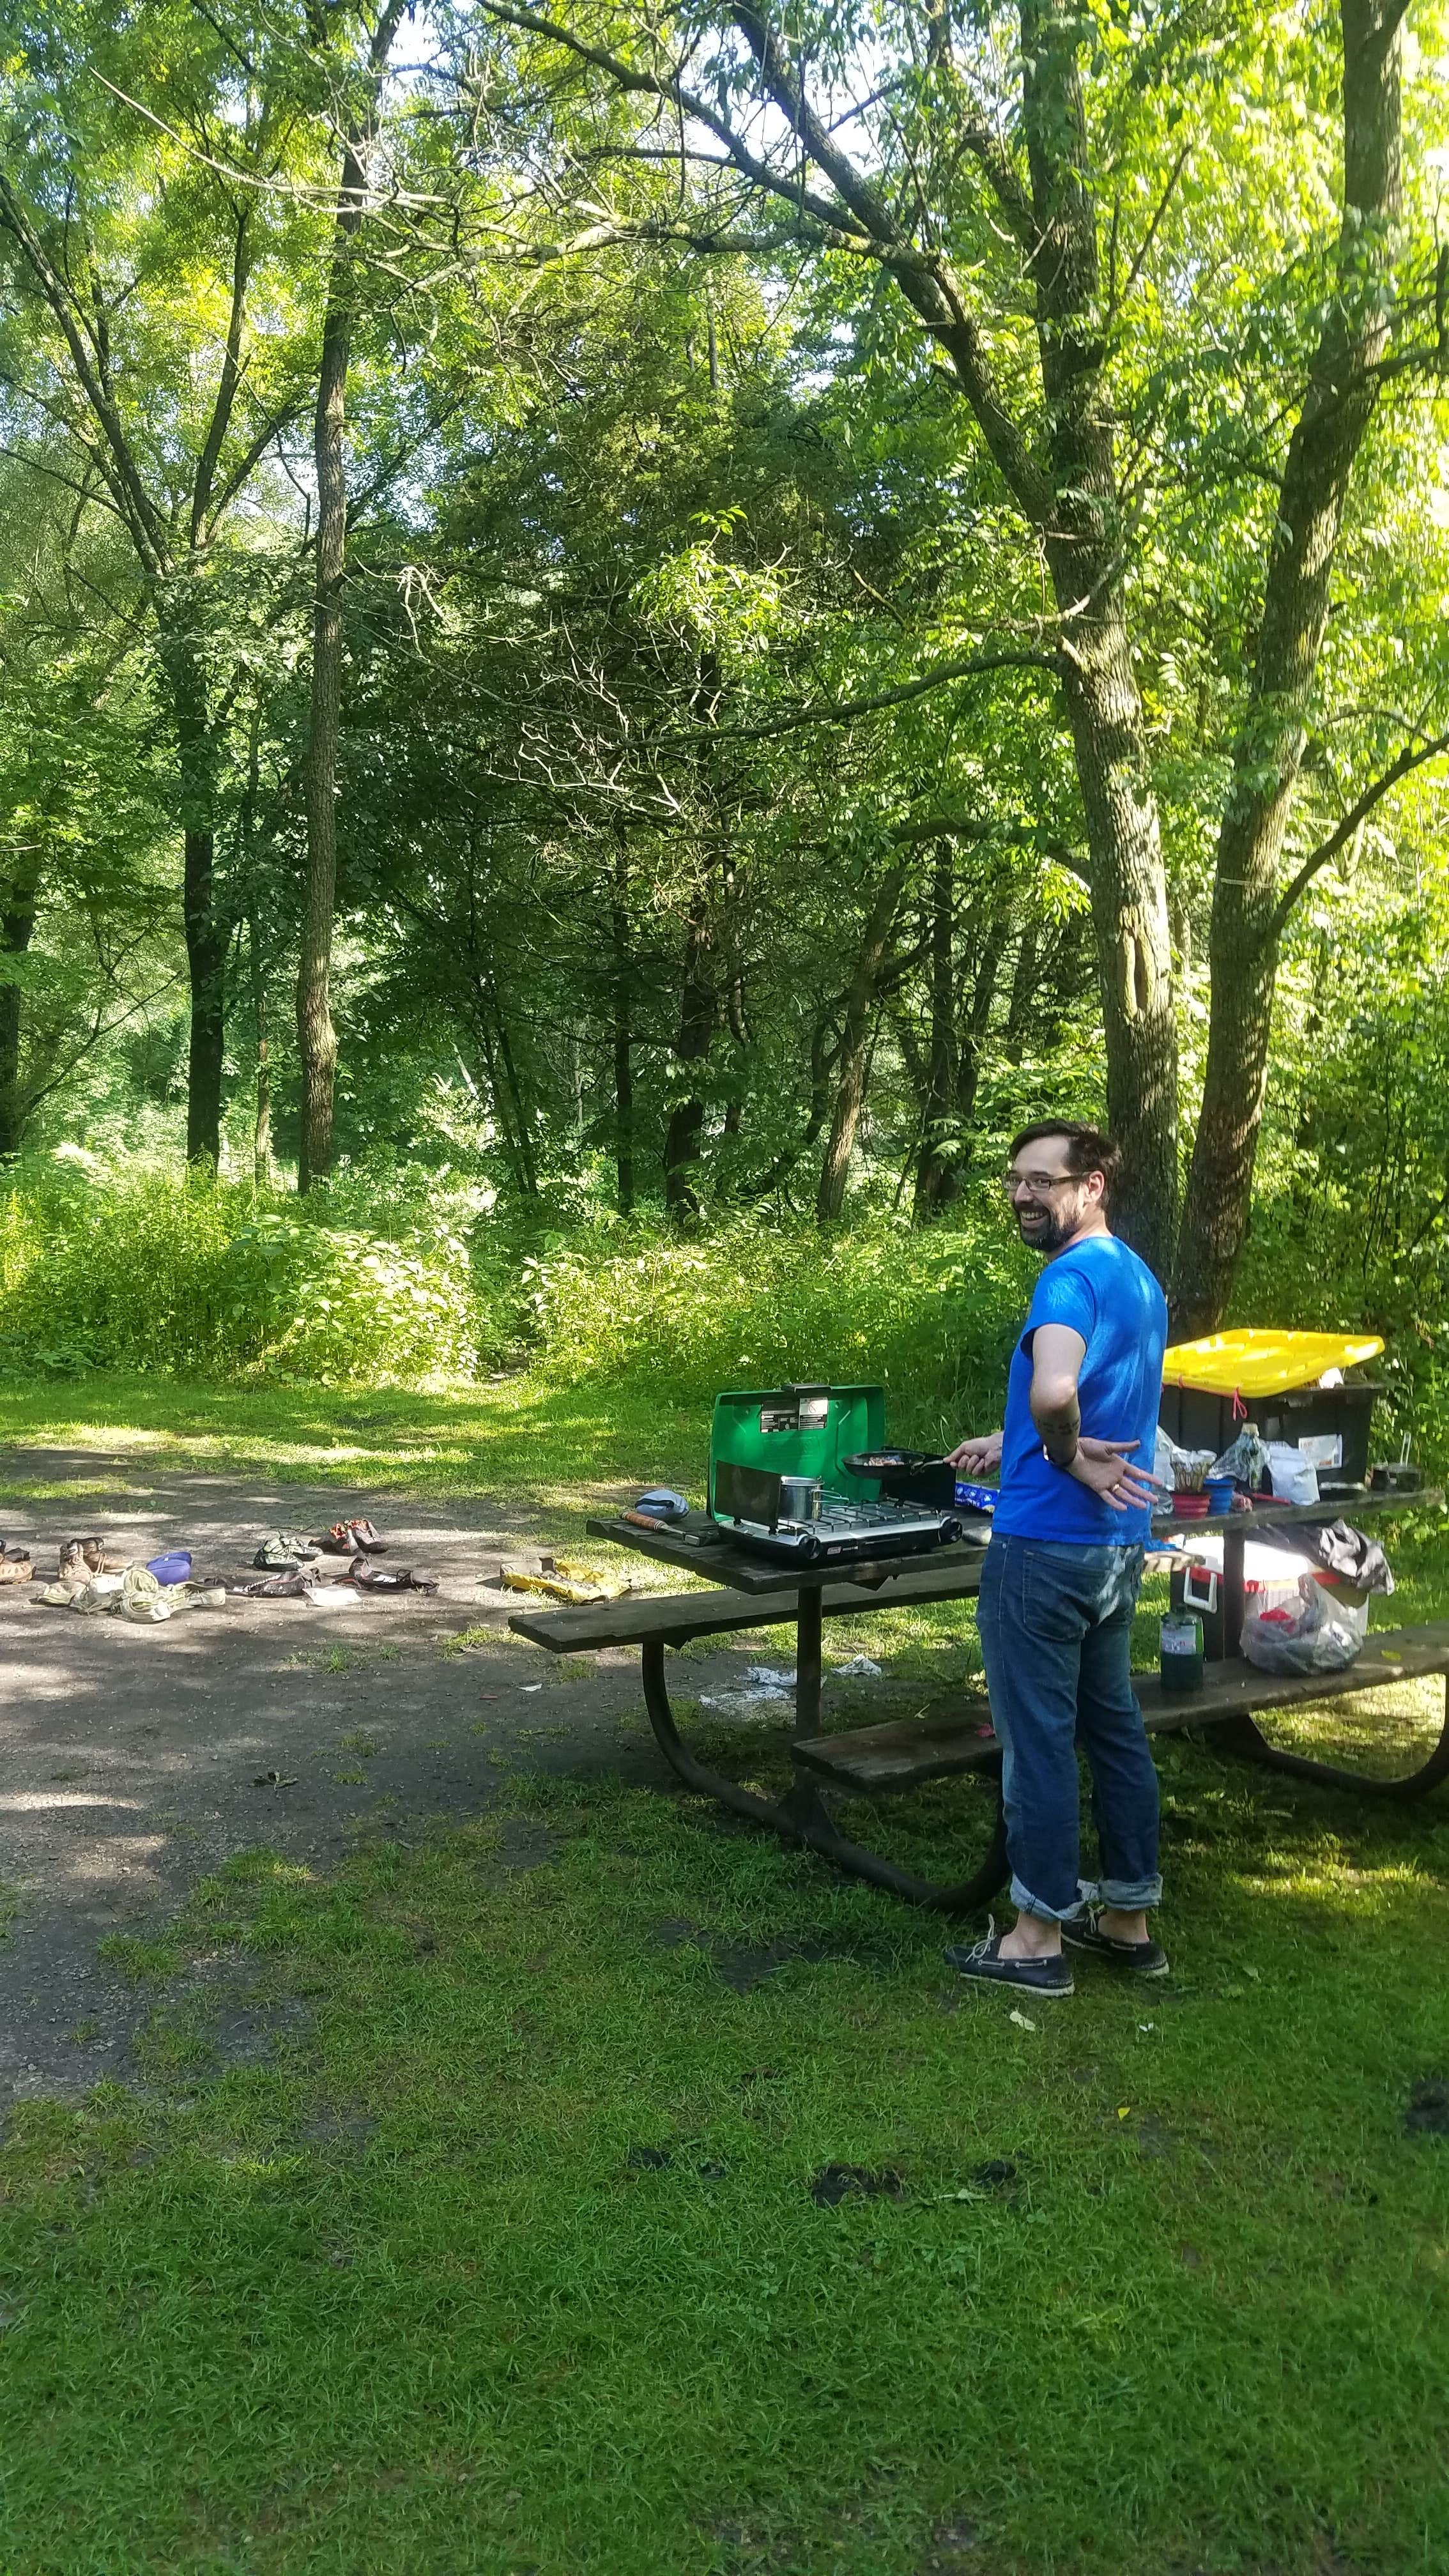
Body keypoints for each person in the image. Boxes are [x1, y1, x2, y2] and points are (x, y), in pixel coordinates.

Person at [944, 1120, 1169, 1997]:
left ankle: (1036, 1937)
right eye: (1014, 1181)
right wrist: (1020, 1441)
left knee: (1036, 1742)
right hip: (1115, 1554)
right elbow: (1099, 1392)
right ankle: (1128, 1918)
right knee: (1112, 1730)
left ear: (1093, 1184)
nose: (1022, 1196)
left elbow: (1057, 1392)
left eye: (1043, 1181)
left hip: (1044, 1552)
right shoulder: (1136, 1276)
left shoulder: (1068, 1278)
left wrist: (1062, 1451)